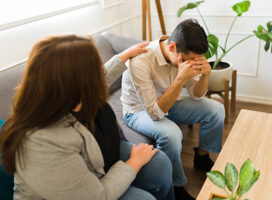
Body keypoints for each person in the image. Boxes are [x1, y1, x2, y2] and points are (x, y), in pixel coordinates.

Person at [0, 35, 175, 200]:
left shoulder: (57, 96)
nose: (101, 75)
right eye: (96, 73)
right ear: (75, 87)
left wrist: (125, 55)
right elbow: (98, 196)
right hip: (89, 191)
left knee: (160, 164)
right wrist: (134, 162)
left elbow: (102, 77)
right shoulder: (43, 143)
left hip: (96, 157)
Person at [121, 19, 225, 199]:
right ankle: (175, 186)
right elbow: (154, 112)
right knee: (172, 134)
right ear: (172, 48)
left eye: (196, 60)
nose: (192, 64)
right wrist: (180, 79)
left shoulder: (185, 51)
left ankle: (201, 157)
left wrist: (206, 74)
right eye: (189, 60)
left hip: (170, 101)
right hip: (139, 110)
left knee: (216, 110)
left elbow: (196, 95)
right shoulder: (140, 61)